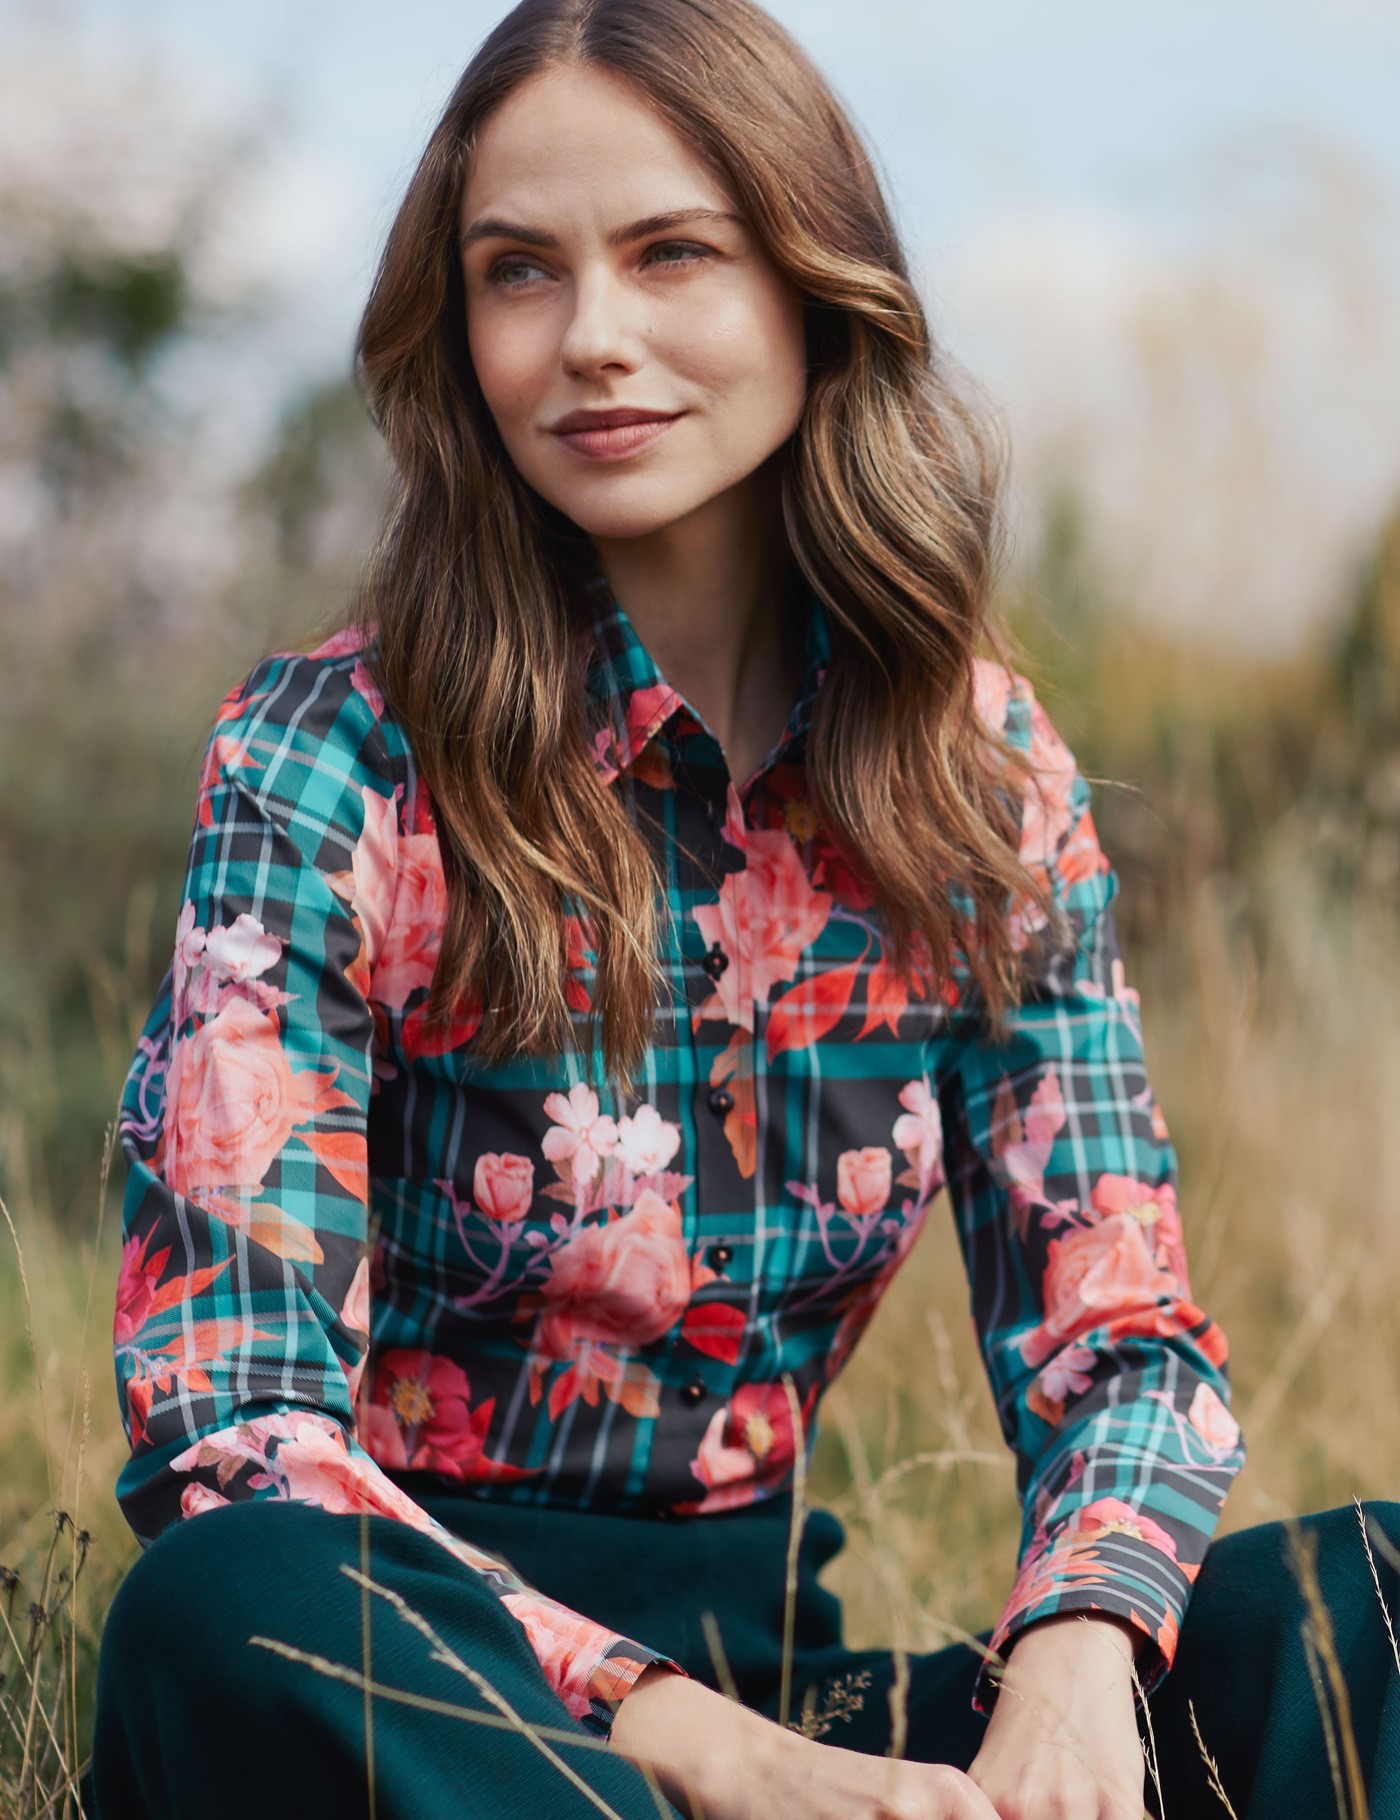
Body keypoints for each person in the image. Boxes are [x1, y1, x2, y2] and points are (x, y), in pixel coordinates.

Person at [86, 2, 1400, 1816]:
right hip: (442, 1691)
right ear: (456, 327)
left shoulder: (976, 777)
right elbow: (230, 1430)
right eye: (519, 272)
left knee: (1381, 1605)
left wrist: (1080, 1649)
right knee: (219, 1611)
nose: (593, 338)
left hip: (796, 1677)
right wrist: (710, 1760)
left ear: (813, 282)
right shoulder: (340, 758)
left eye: (672, 252)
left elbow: (1120, 1332)